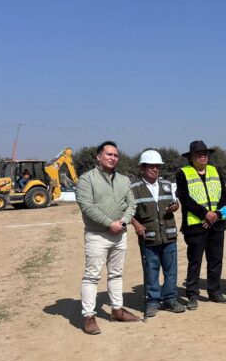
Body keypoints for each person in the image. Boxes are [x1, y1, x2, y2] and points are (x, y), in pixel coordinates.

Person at [75, 141, 139, 335]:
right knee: (92, 276)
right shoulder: (87, 179)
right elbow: (87, 206)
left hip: (120, 234)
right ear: (99, 156)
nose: (113, 158)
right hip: (97, 235)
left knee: (116, 274)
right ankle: (88, 316)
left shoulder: (124, 180)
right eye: (109, 154)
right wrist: (109, 223)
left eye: (115, 155)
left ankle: (117, 310)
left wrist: (123, 222)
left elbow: (132, 204)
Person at [130, 150, 186, 317]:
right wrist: (136, 224)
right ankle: (152, 301)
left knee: (171, 270)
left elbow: (175, 203)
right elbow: (127, 211)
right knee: (151, 270)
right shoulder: (134, 189)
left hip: (168, 235)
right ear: (142, 168)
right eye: (150, 166)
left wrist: (175, 206)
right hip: (148, 237)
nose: (155, 169)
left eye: (157, 166)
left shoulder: (167, 185)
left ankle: (169, 299)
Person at [176, 140, 226, 309]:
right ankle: (192, 294)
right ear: (191, 157)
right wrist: (205, 214)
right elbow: (185, 198)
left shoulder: (215, 170)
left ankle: (214, 291)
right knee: (195, 261)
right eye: (198, 154)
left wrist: (216, 214)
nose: (202, 156)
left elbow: (224, 196)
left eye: (205, 153)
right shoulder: (183, 173)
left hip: (217, 223)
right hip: (195, 225)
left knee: (215, 260)